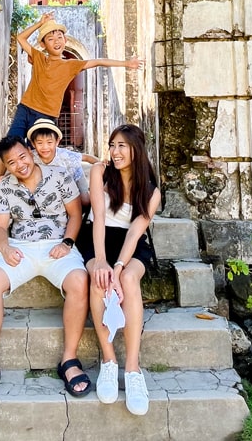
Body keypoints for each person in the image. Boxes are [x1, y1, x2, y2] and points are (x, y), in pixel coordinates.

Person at [0, 135, 90, 404]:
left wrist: (68, 242)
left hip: (58, 244)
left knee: (79, 280)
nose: (19, 164)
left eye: (22, 156)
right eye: (11, 162)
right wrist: (5, 248)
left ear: (30, 152)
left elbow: (76, 215)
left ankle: (69, 359)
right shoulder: (6, 187)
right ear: (5, 166)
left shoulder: (59, 175)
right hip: (21, 246)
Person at [0, 12, 143, 194]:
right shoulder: (39, 58)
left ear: (64, 39)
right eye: (50, 38)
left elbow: (98, 61)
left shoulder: (71, 65)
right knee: (9, 144)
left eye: (60, 37)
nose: (56, 41)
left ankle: (37, 191)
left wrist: (127, 63)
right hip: (26, 108)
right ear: (43, 45)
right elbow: (21, 37)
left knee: (39, 154)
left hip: (45, 116)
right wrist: (40, 23)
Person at [75, 124, 161, 416]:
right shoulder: (100, 172)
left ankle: (133, 370)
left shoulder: (151, 191)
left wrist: (120, 265)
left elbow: (136, 233)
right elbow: (97, 217)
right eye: (112, 145)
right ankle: (109, 363)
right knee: (99, 281)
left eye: (122, 145)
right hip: (97, 239)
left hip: (130, 246)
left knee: (127, 279)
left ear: (136, 149)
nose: (115, 151)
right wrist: (100, 261)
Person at [27, 118, 99, 207]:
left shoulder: (65, 155)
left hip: (74, 177)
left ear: (57, 142)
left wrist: (102, 164)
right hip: (50, 184)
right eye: (40, 143)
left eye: (49, 142)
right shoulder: (31, 157)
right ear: (33, 144)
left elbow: (87, 157)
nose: (45, 147)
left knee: (85, 201)